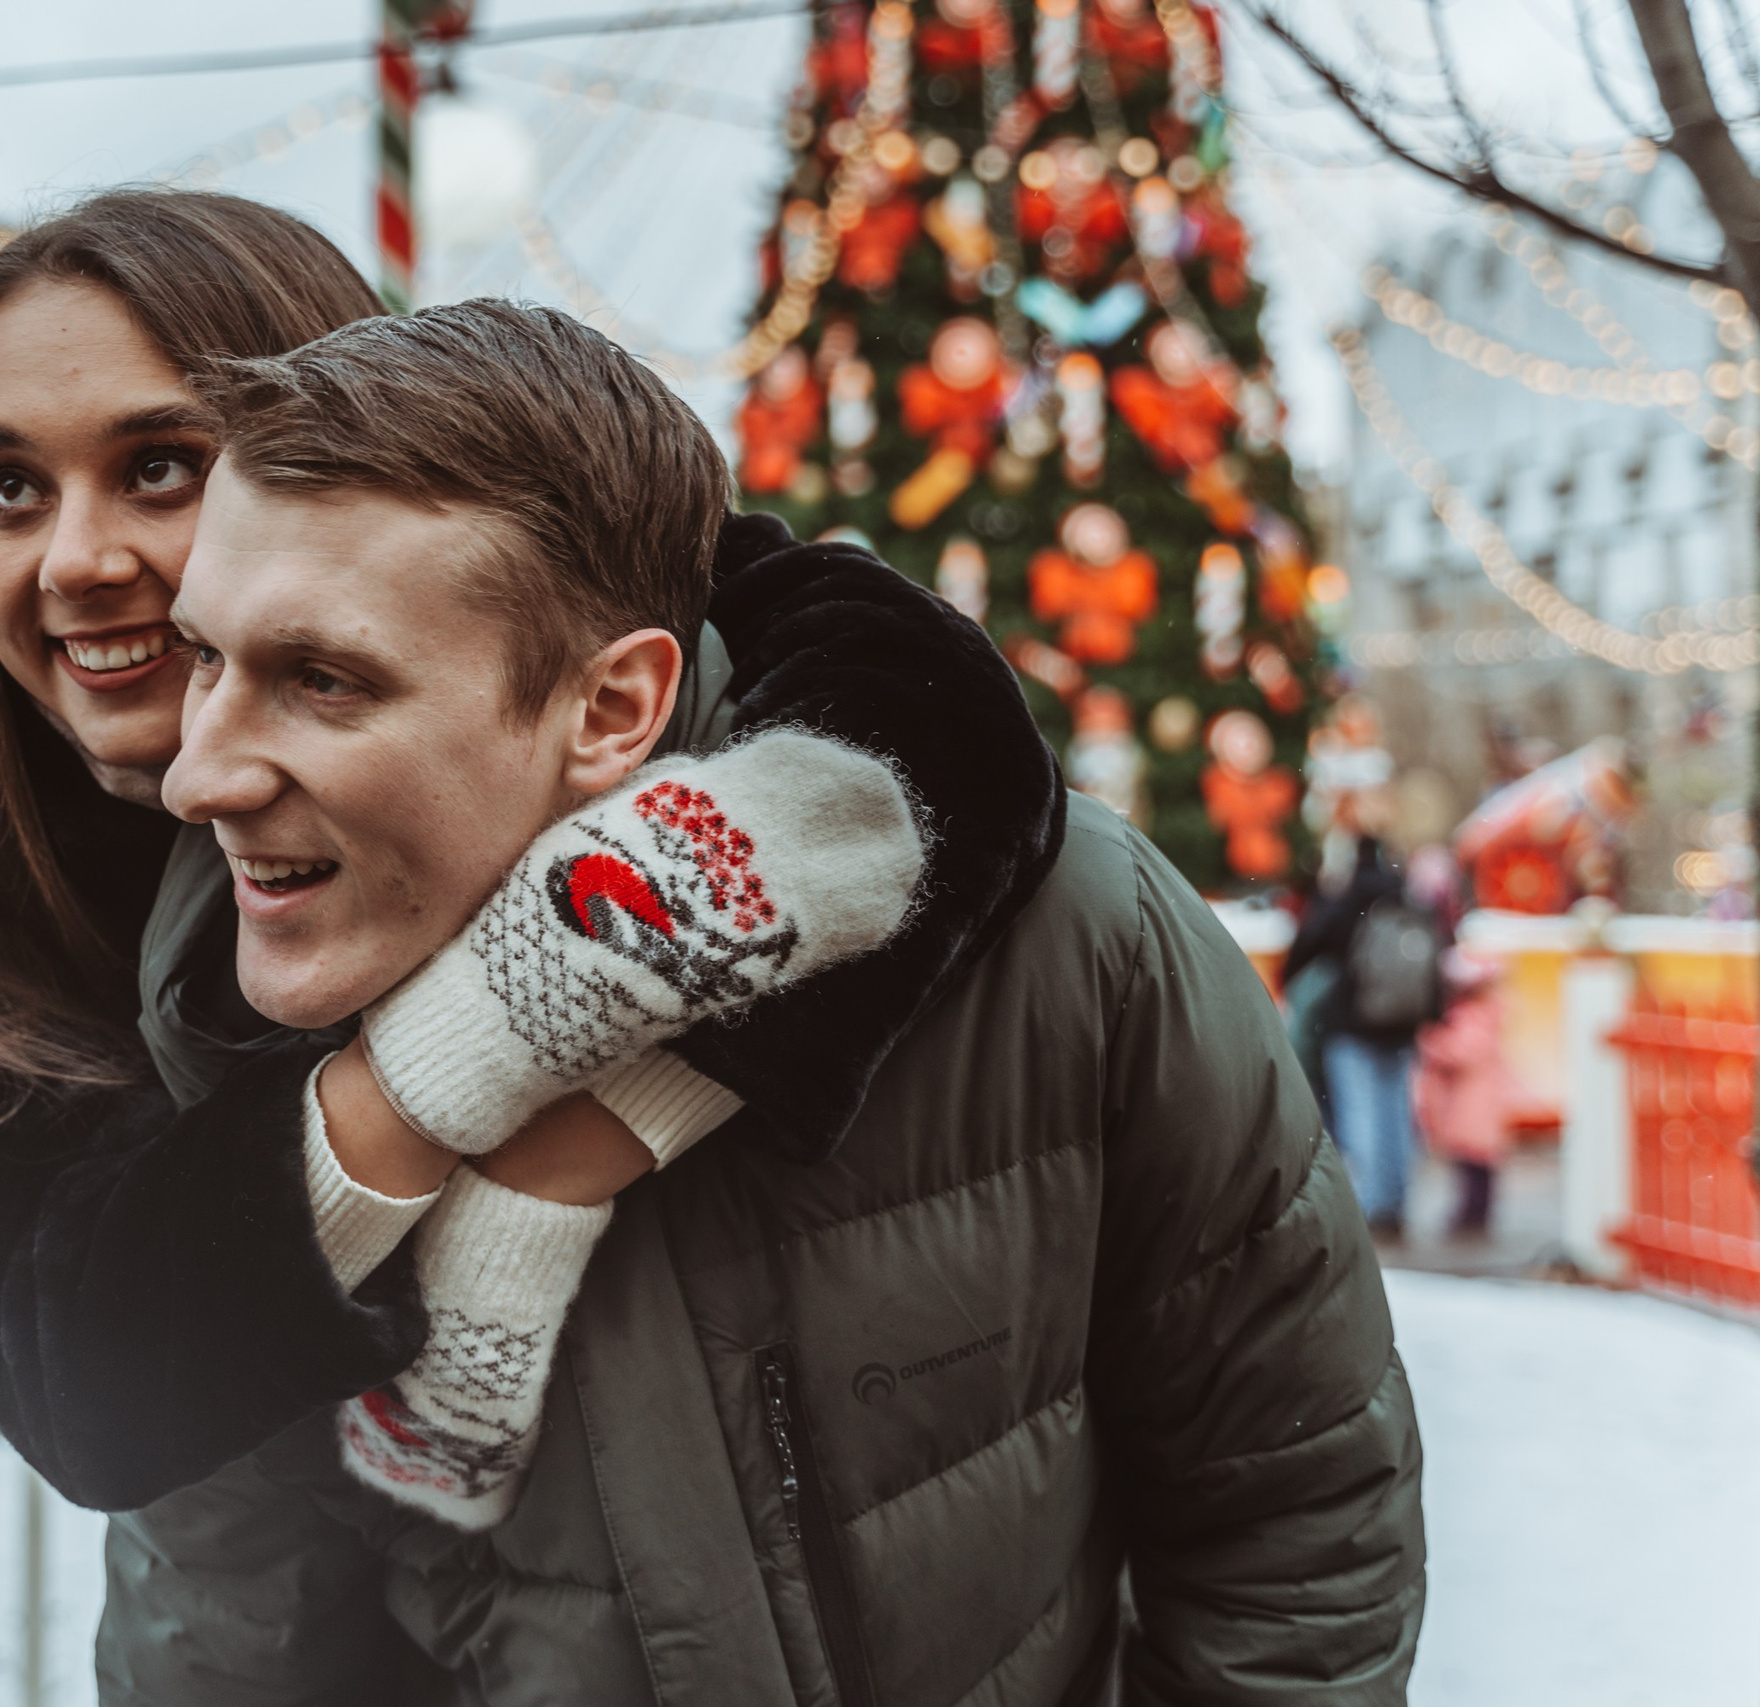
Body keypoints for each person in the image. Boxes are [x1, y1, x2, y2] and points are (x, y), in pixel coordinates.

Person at [100, 298, 1424, 1701]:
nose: (199, 774)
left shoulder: (1069, 945)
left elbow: (1295, 1528)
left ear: (610, 710)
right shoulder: (222, 1048)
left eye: (321, 678)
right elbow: (227, 1649)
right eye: (206, 658)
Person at [0, 186, 1065, 1529]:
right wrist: (487, 1043)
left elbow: (930, 721)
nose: (79, 560)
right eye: (10, 488)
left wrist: (605, 1118)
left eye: (160, 463)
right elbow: (77, 1376)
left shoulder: (516, 555)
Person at [1287, 831, 1443, 1240]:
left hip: (1354, 1022)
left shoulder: (1350, 898)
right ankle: (1397, 1202)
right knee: (1396, 1116)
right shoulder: (1409, 897)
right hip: (1403, 1024)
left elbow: (1308, 947)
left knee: (1361, 1115)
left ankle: (1371, 1207)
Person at [1415, 948, 1512, 1238]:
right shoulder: (1484, 1014)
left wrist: (1431, 1042)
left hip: (1472, 1108)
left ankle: (1472, 1214)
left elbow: (1461, 1053)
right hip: (1472, 1107)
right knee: (1474, 1167)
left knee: (1474, 1168)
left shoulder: (1472, 1017)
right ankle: (1474, 1212)